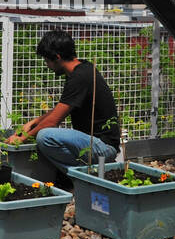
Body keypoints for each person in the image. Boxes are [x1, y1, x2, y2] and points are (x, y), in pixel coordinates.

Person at [6, 29, 120, 175]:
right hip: (94, 143)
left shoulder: (79, 77)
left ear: (57, 57)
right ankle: (80, 174)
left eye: (47, 60)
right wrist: (33, 122)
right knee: (42, 131)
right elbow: (59, 110)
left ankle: (81, 176)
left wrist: (21, 139)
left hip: (103, 147)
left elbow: (52, 122)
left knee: (45, 136)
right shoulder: (82, 69)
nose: (47, 65)